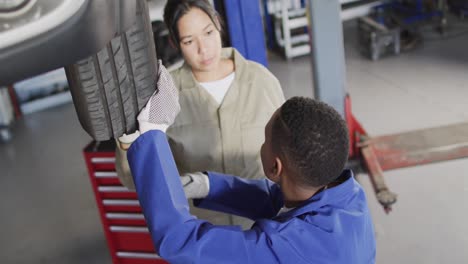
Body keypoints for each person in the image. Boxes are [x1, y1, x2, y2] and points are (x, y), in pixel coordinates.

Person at [123, 64, 376, 264]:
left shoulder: (286, 248)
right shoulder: (349, 197)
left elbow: (180, 242)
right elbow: (276, 200)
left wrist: (151, 133)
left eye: (264, 140)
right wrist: (207, 185)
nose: (262, 144)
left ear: (275, 168)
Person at [116, 0, 285, 227]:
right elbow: (137, 178)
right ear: (175, 43)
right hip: (202, 230)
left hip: (262, 226)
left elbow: (288, 157)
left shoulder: (262, 82)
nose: (203, 49)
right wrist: (129, 142)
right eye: (188, 41)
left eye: (208, 33)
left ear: (218, 24)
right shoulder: (164, 95)